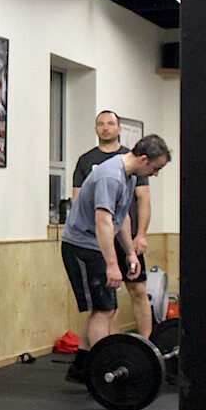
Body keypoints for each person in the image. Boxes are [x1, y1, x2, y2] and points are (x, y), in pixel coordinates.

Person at [61, 134, 171, 383]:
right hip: (82, 246)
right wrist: (112, 264)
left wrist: (130, 253)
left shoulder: (129, 175)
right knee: (105, 310)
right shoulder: (111, 175)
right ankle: (101, 371)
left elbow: (122, 218)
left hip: (94, 245)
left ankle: (82, 367)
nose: (154, 174)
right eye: (156, 168)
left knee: (104, 309)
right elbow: (103, 222)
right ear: (144, 159)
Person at [71, 111, 153, 338]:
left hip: (126, 234)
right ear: (96, 129)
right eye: (100, 124)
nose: (105, 128)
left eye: (110, 124)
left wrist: (141, 235)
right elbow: (78, 201)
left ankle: (147, 345)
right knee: (108, 300)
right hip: (98, 237)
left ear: (119, 129)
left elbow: (143, 198)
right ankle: (112, 347)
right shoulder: (86, 161)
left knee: (138, 289)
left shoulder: (133, 159)